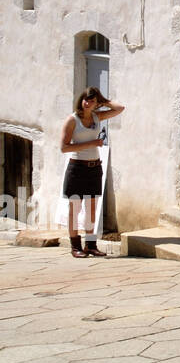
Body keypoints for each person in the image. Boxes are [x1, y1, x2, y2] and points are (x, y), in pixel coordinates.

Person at [59, 87, 124, 258]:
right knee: (75, 208)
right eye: (86, 99)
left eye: (92, 101)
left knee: (91, 209)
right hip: (77, 167)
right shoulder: (72, 120)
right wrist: (93, 143)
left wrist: (103, 100)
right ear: (81, 100)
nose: (88, 103)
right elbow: (64, 147)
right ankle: (75, 247)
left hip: (94, 167)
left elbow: (119, 109)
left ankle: (90, 245)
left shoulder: (97, 117)